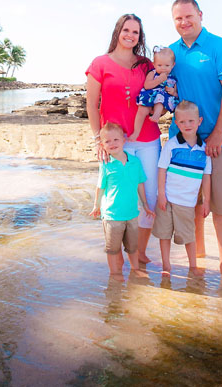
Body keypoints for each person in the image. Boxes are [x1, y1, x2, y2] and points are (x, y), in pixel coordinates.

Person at [169, 0, 222, 275]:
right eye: (178, 18)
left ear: (200, 15)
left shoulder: (220, 47)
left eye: (189, 16)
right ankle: (198, 260)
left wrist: (218, 134)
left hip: (219, 141)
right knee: (192, 202)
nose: (184, 22)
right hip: (182, 142)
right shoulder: (172, 53)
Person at [86, 14, 162, 265]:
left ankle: (139, 252)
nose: (130, 35)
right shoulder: (99, 64)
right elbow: (91, 105)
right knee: (114, 198)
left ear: (140, 37)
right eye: (126, 30)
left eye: (136, 32)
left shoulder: (146, 64)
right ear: (118, 31)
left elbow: (161, 87)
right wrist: (98, 140)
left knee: (148, 197)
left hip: (148, 140)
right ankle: (115, 254)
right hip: (116, 142)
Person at [89, 122, 154, 278]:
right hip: (112, 215)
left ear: (123, 140)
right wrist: (96, 206)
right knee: (113, 248)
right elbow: (100, 187)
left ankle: (135, 269)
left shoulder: (135, 162)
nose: (112, 144)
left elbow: (140, 184)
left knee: (133, 247)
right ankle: (115, 274)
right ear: (102, 145)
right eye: (107, 141)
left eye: (116, 140)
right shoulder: (106, 164)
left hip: (132, 214)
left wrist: (145, 205)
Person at [153, 101, 211, 276]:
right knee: (164, 233)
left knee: (188, 235)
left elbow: (206, 177)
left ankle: (193, 266)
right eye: (182, 122)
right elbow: (161, 169)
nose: (187, 125)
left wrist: (207, 201)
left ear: (199, 121)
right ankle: (166, 265)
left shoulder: (204, 149)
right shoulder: (171, 145)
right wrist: (161, 195)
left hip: (187, 202)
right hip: (167, 198)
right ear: (176, 123)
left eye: (191, 121)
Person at [129, 47, 179, 141]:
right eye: (159, 65)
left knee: (160, 100)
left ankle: (156, 115)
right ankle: (136, 132)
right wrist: (159, 79)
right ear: (154, 64)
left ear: (173, 65)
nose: (163, 68)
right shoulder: (152, 73)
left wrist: (173, 92)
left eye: (167, 65)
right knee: (142, 110)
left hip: (161, 99)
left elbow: (176, 93)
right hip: (150, 95)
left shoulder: (172, 78)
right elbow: (147, 85)